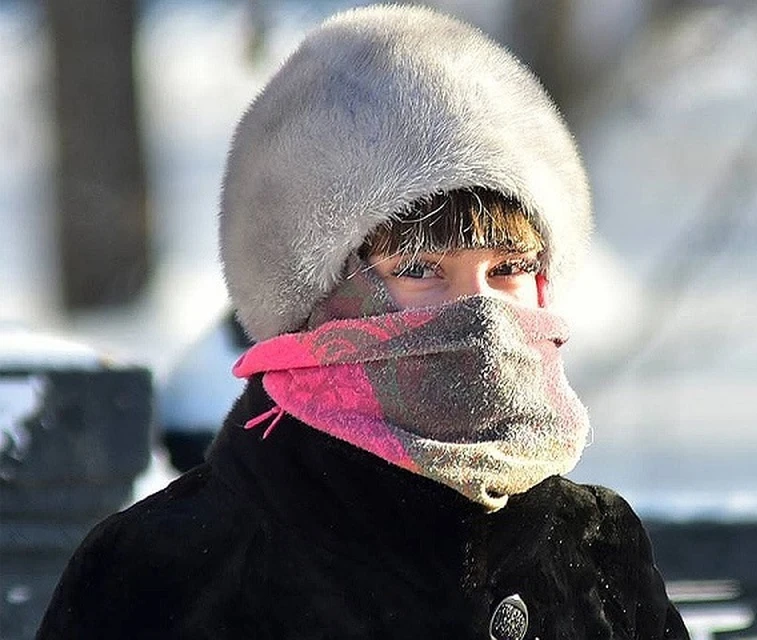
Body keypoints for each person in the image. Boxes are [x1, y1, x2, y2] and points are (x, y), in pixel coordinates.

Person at [38, 6, 689, 639]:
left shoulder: (594, 545)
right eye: (420, 268)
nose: (481, 313)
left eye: (509, 266)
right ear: (312, 292)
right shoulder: (162, 568)